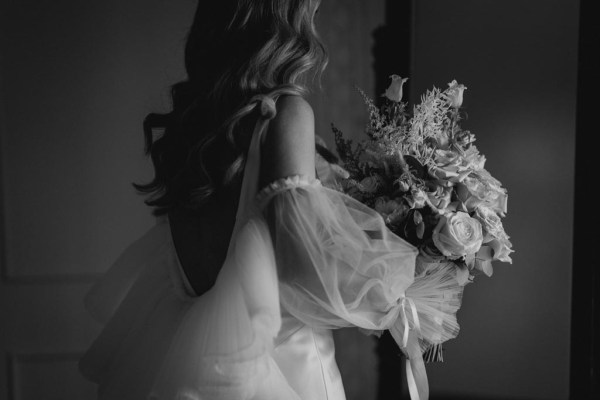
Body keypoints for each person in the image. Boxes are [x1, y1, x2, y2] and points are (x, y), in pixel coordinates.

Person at [79, 1, 457, 399]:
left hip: (186, 358)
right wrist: (405, 288)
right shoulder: (286, 115)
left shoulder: (191, 126)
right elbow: (302, 267)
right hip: (286, 372)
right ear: (289, 19)